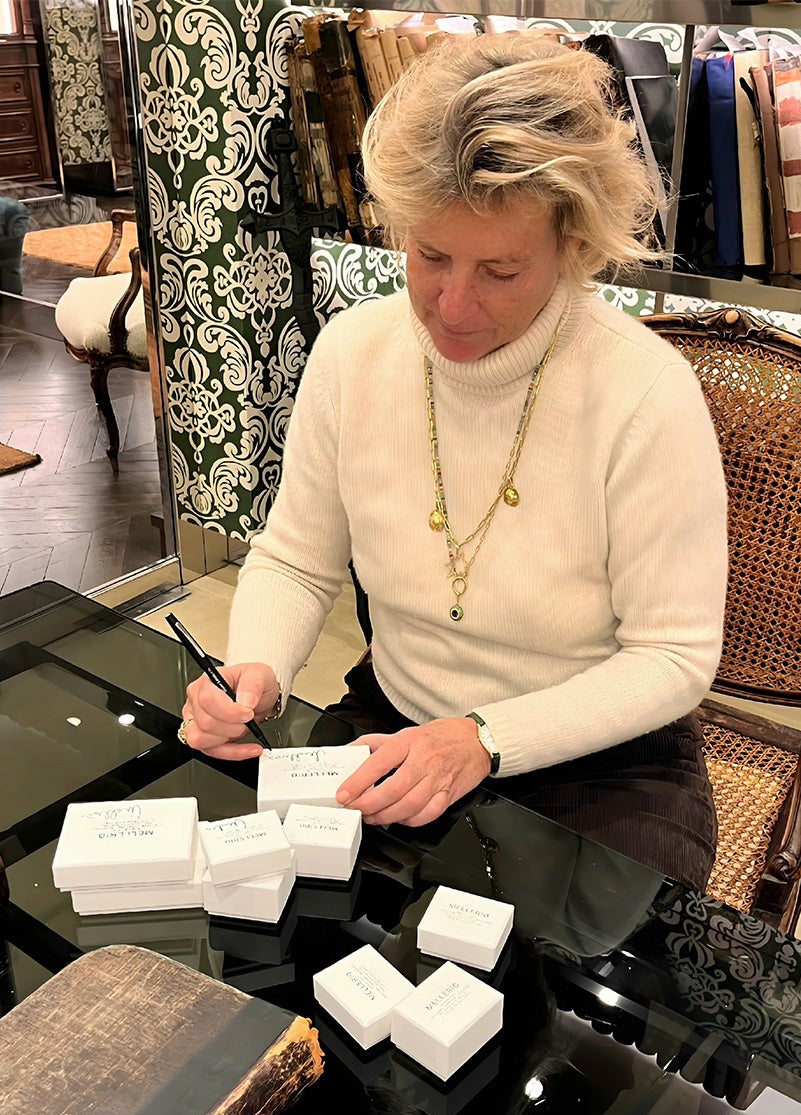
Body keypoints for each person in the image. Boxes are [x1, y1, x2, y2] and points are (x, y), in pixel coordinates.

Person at [180, 35, 729, 892]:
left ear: (572, 246)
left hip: (601, 761)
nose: (454, 304)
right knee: (288, 921)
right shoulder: (354, 354)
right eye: (430, 255)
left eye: (501, 270)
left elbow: (672, 657)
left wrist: (481, 738)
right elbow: (296, 558)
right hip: (397, 719)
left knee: (562, 973)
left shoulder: (644, 394)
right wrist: (257, 666)